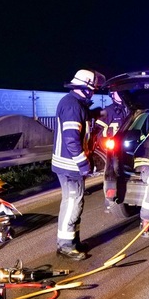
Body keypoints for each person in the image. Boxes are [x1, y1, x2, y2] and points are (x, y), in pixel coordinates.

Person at [52, 69, 105, 260]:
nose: (94, 92)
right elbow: (72, 140)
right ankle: (65, 246)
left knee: (77, 202)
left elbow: (81, 121)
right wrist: (84, 165)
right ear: (86, 88)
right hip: (69, 166)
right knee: (72, 202)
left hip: (70, 165)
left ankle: (73, 241)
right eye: (93, 89)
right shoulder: (72, 106)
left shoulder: (75, 104)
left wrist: (94, 114)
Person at [95, 91, 131, 212]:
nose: (120, 95)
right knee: (112, 173)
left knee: (123, 173)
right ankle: (110, 201)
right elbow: (98, 131)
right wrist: (107, 142)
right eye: (117, 93)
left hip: (127, 148)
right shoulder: (108, 111)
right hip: (113, 150)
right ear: (112, 95)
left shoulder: (129, 109)